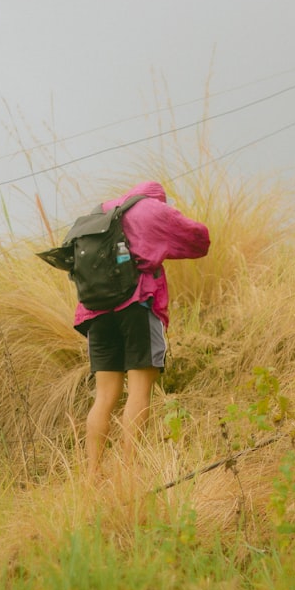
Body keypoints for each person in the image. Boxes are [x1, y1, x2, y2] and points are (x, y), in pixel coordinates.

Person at [74, 181, 210, 480]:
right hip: (137, 305)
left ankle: (92, 475)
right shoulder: (152, 209)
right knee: (139, 391)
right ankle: (129, 472)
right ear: (159, 198)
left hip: (95, 312)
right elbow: (199, 241)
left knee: (105, 395)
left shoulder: (99, 213)